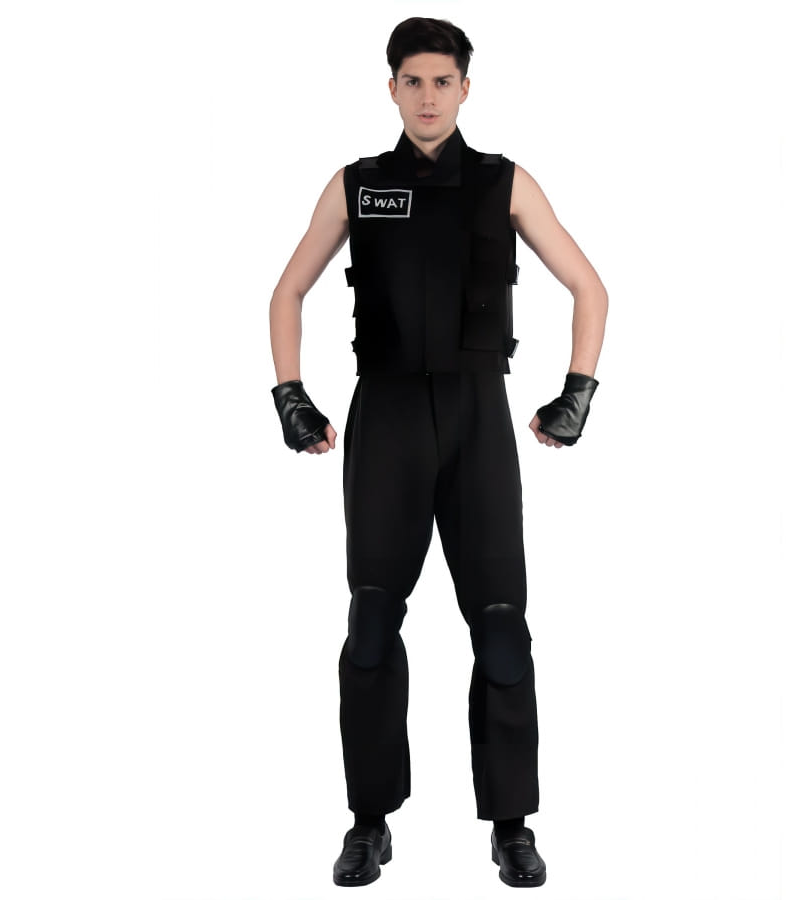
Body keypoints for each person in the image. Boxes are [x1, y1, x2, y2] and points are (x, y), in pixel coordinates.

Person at [268, 17, 608, 889]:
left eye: (442, 81)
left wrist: (577, 392)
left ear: (465, 89)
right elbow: (288, 290)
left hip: (476, 422)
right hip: (383, 423)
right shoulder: (358, 185)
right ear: (391, 89)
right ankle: (369, 822)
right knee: (371, 626)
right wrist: (290, 394)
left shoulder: (503, 183)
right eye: (412, 81)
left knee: (501, 629)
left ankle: (511, 824)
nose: (427, 97)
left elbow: (589, 286)